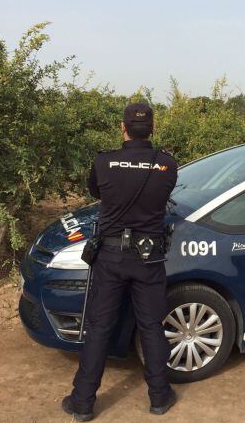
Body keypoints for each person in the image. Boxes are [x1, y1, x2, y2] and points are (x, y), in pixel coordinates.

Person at [62, 103, 178, 421]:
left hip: (111, 257)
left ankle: (82, 403)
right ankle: (159, 397)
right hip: (149, 258)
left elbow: (97, 191)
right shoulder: (167, 164)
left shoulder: (104, 162)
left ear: (122, 128)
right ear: (152, 129)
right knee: (151, 326)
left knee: (99, 328)